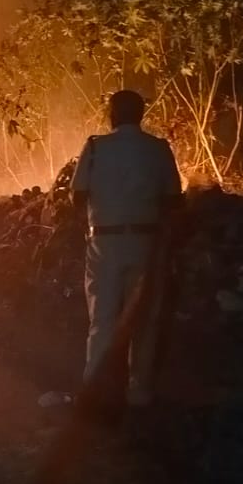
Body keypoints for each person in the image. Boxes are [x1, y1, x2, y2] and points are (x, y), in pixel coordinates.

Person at [70, 89, 183, 413]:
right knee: (144, 320)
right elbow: (175, 200)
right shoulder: (158, 150)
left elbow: (77, 197)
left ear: (113, 114)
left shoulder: (95, 147)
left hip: (104, 243)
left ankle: (96, 394)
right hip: (145, 244)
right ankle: (139, 394)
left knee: (102, 321)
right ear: (141, 114)